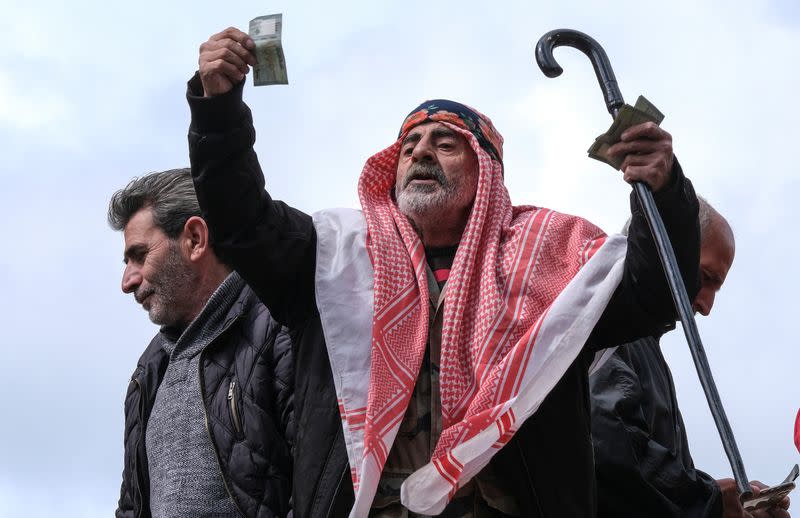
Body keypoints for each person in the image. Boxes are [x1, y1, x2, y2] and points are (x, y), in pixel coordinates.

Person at [187, 27, 700, 517]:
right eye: (408, 148)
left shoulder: (556, 259)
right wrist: (218, 111)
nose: (421, 155)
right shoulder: (332, 256)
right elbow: (240, 222)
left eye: (445, 144)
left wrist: (664, 190)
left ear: (486, 171)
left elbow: (653, 295)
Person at [108, 169, 294, 518]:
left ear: (195, 238)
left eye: (139, 255)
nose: (127, 281)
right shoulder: (147, 375)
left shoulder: (279, 326)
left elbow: (322, 485)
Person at [591, 200, 790, 518]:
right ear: (663, 246)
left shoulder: (645, 349)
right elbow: (607, 447)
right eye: (706, 277)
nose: (707, 306)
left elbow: (654, 486)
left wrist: (730, 504)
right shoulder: (604, 328)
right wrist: (711, 501)